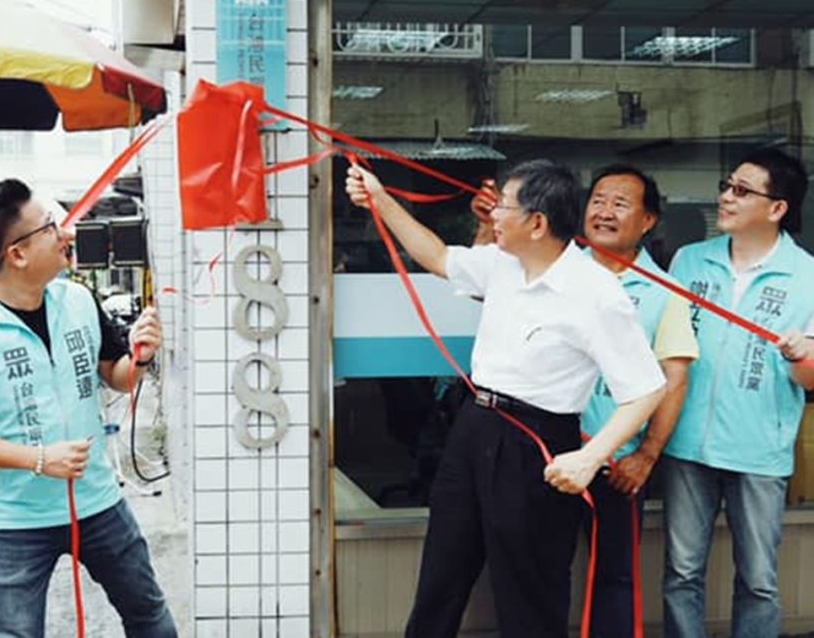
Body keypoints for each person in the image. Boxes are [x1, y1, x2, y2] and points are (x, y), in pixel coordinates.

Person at [346, 160, 666, 638]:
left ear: (537, 223)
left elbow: (646, 388)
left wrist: (589, 457)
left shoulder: (596, 293)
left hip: (535, 442)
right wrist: (381, 200)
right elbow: (437, 256)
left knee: (529, 592)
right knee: (441, 575)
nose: (493, 214)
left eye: (505, 207)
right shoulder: (503, 264)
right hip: (475, 428)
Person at [0, 178, 176, 638]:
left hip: (98, 500)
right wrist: (37, 460)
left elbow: (114, 373)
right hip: (16, 518)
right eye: (53, 225)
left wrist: (140, 355)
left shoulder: (76, 299)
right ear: (17, 253)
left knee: (151, 619)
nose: (68, 234)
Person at [476, 164, 699, 637]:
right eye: (597, 200)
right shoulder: (542, 270)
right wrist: (488, 225)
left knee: (614, 576)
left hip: (613, 464)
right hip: (543, 454)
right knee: (535, 569)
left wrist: (645, 456)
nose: (603, 211)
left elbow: (672, 379)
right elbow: (485, 292)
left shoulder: (665, 293)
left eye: (620, 203)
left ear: (648, 221)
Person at [661, 148, 814, 638]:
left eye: (742, 190)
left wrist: (800, 357)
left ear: (777, 209)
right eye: (726, 185)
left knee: (759, 581)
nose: (726, 196)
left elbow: (812, 380)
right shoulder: (689, 261)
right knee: (681, 573)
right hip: (686, 441)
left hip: (758, 449)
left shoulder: (808, 277)